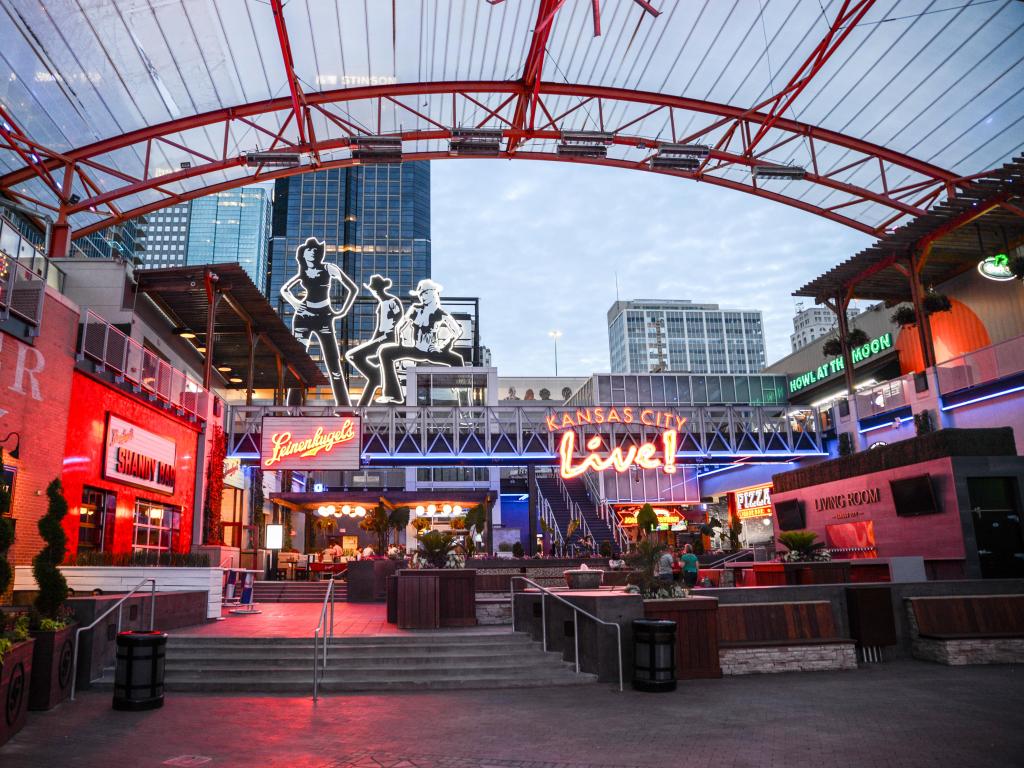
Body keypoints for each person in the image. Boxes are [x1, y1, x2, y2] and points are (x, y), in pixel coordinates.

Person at [279, 237, 358, 406]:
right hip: (304, 317)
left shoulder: (329, 268)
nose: (310, 253)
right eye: (308, 251)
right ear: (303, 255)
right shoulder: (303, 272)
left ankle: (344, 405)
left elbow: (352, 288)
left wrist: (342, 311)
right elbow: (285, 290)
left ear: (318, 254)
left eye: (314, 251)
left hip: (324, 316)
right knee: (298, 360)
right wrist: (296, 304)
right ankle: (292, 406)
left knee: (333, 361)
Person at [374, 279, 465, 404]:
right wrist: (401, 342)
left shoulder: (440, 313)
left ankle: (463, 404)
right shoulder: (415, 309)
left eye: (425, 293)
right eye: (421, 294)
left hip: (432, 351)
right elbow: (400, 326)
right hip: (416, 349)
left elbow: (457, 331)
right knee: (385, 352)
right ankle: (393, 394)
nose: (422, 296)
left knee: (457, 360)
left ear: (433, 293)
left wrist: (443, 346)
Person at [346, 274, 404, 406]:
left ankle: (376, 377)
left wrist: (393, 337)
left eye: (375, 289)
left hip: (389, 338)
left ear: (380, 289)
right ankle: (376, 375)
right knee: (353, 355)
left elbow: (399, 321)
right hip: (380, 338)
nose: (374, 292)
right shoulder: (381, 305)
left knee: (354, 355)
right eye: (373, 289)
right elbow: (378, 327)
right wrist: (374, 341)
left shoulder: (392, 301)